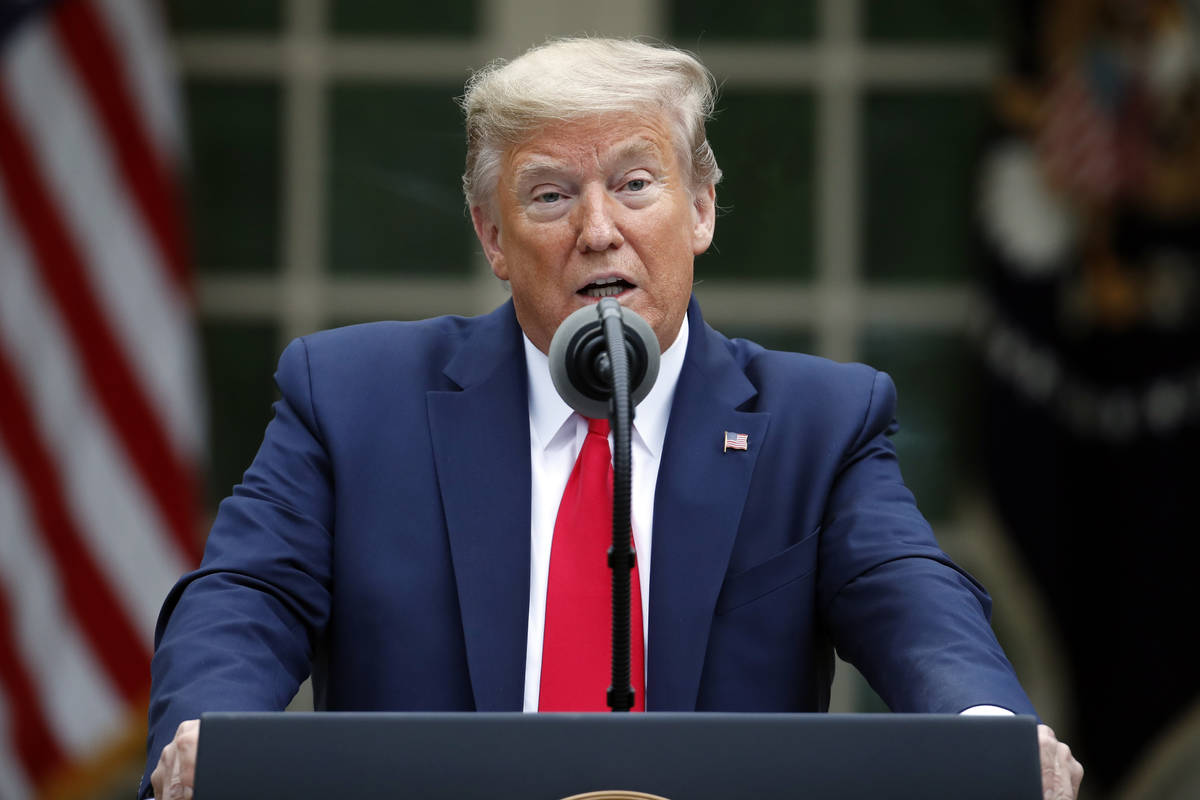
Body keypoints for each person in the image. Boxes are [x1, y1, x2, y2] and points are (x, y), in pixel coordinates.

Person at [143, 37, 1083, 800]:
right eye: (550, 195)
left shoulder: (815, 423)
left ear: (702, 208)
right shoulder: (352, 398)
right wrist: (208, 732)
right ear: (492, 238)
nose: (598, 229)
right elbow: (246, 597)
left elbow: (913, 599)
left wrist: (987, 737)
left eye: (635, 184)